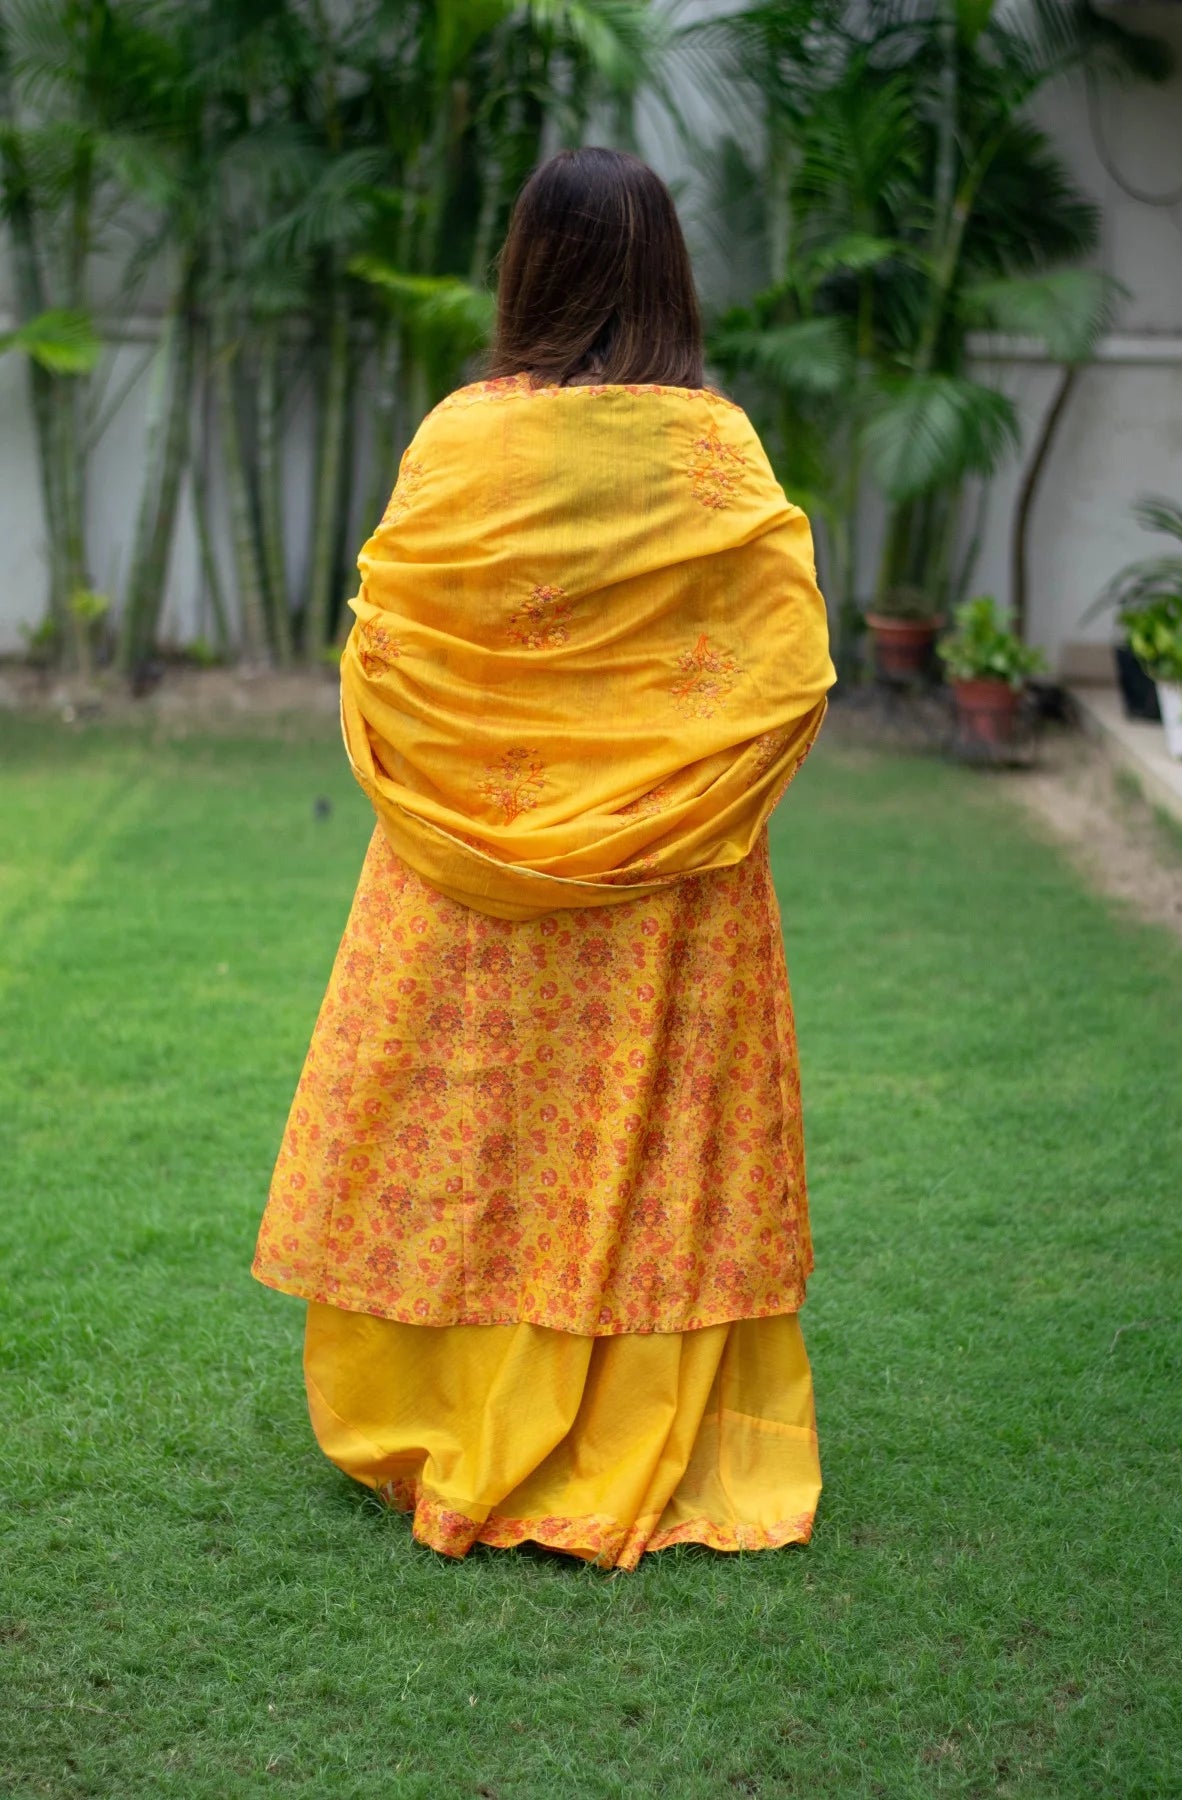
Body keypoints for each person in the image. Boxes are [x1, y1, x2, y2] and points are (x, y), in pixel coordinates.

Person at [252, 145, 836, 1571]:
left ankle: (447, 1416)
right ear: (668, 275)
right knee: (640, 1148)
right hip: (670, 875)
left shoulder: (464, 439)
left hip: (466, 873)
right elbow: (780, 668)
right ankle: (648, 1430)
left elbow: (392, 643)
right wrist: (661, 781)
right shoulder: (713, 449)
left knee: (476, 1134)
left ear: (526, 268)